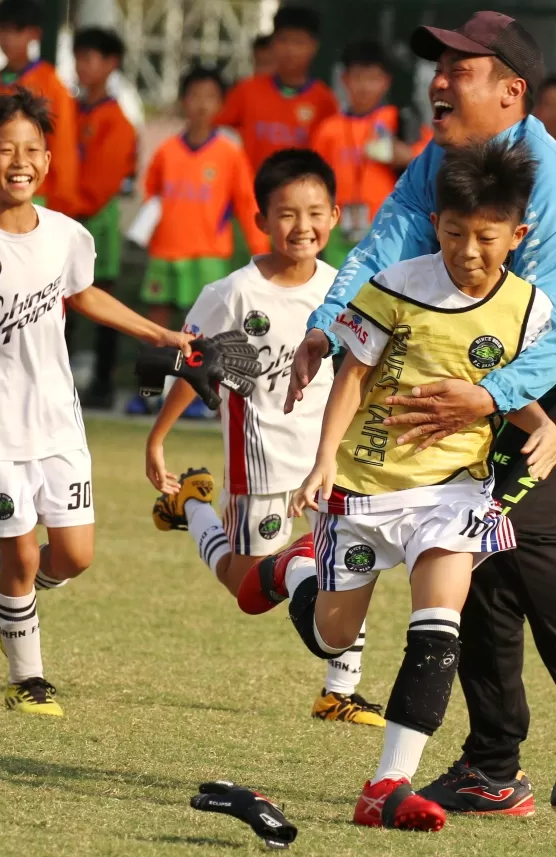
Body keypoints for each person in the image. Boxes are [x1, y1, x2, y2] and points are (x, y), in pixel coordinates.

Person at [281, 10, 556, 816]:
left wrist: (491, 397)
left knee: (528, 525)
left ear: (511, 92)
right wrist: (326, 326)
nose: (438, 79)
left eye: (459, 68)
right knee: (480, 533)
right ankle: (491, 764)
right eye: (437, 64)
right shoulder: (440, 161)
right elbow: (377, 257)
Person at [245, 139, 556, 830]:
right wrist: (325, 458)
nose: (468, 251)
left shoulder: (530, 307)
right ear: (435, 225)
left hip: (452, 490)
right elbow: (353, 372)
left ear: (517, 234)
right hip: (361, 487)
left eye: (486, 237)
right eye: (453, 233)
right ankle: (298, 570)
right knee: (332, 638)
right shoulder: (397, 285)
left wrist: (540, 422)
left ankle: (386, 783)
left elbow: (504, 387)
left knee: (438, 627)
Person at [0, 88, 192, 717]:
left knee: (74, 556)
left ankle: (11, 588)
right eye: (4, 150)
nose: (19, 161)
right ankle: (26, 678)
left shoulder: (66, 235)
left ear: (49, 161)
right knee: (24, 552)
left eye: (31, 149)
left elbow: (84, 296)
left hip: (59, 419)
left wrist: (160, 333)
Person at [146, 148, 385, 728]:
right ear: (260, 221)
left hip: (330, 462)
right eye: (285, 214)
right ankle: (194, 506)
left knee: (350, 563)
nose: (301, 227)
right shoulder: (234, 293)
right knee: (251, 591)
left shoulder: (347, 290)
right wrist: (158, 440)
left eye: (313, 213)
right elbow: (195, 366)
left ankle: (340, 691)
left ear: (333, 216)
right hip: (259, 464)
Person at [125, 65, 268, 417]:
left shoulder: (229, 153)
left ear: (220, 104)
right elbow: (151, 196)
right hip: (165, 251)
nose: (202, 104)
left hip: (207, 254)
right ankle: (149, 394)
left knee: (204, 332)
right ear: (183, 101)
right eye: (195, 96)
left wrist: (262, 254)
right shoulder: (167, 151)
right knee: (158, 327)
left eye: (210, 97)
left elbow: (246, 204)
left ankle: (197, 399)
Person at [70, 27, 137, 410]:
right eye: (79, 57)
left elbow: (105, 179)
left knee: (102, 300)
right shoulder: (71, 109)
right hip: (68, 213)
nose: (83, 66)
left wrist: (75, 203)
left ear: (111, 64)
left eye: (91, 58)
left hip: (97, 221)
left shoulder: (116, 120)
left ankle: (103, 383)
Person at [310, 41, 416, 267]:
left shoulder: (398, 120)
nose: (365, 86)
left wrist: (406, 155)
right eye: (358, 78)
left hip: (387, 224)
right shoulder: (328, 129)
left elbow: (427, 158)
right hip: (337, 226)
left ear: (386, 82)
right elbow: (315, 182)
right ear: (344, 79)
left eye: (373, 79)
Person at [0, 0, 78, 215]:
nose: (8, 39)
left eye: (17, 31)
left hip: (34, 193)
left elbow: (63, 148)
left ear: (35, 34)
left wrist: (61, 203)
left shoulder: (51, 84)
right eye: (3, 30)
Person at [215, 5, 338, 173]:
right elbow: (216, 136)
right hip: (251, 194)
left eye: (298, 42)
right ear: (272, 44)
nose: (290, 50)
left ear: (313, 47)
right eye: (283, 40)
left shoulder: (324, 100)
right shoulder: (246, 90)